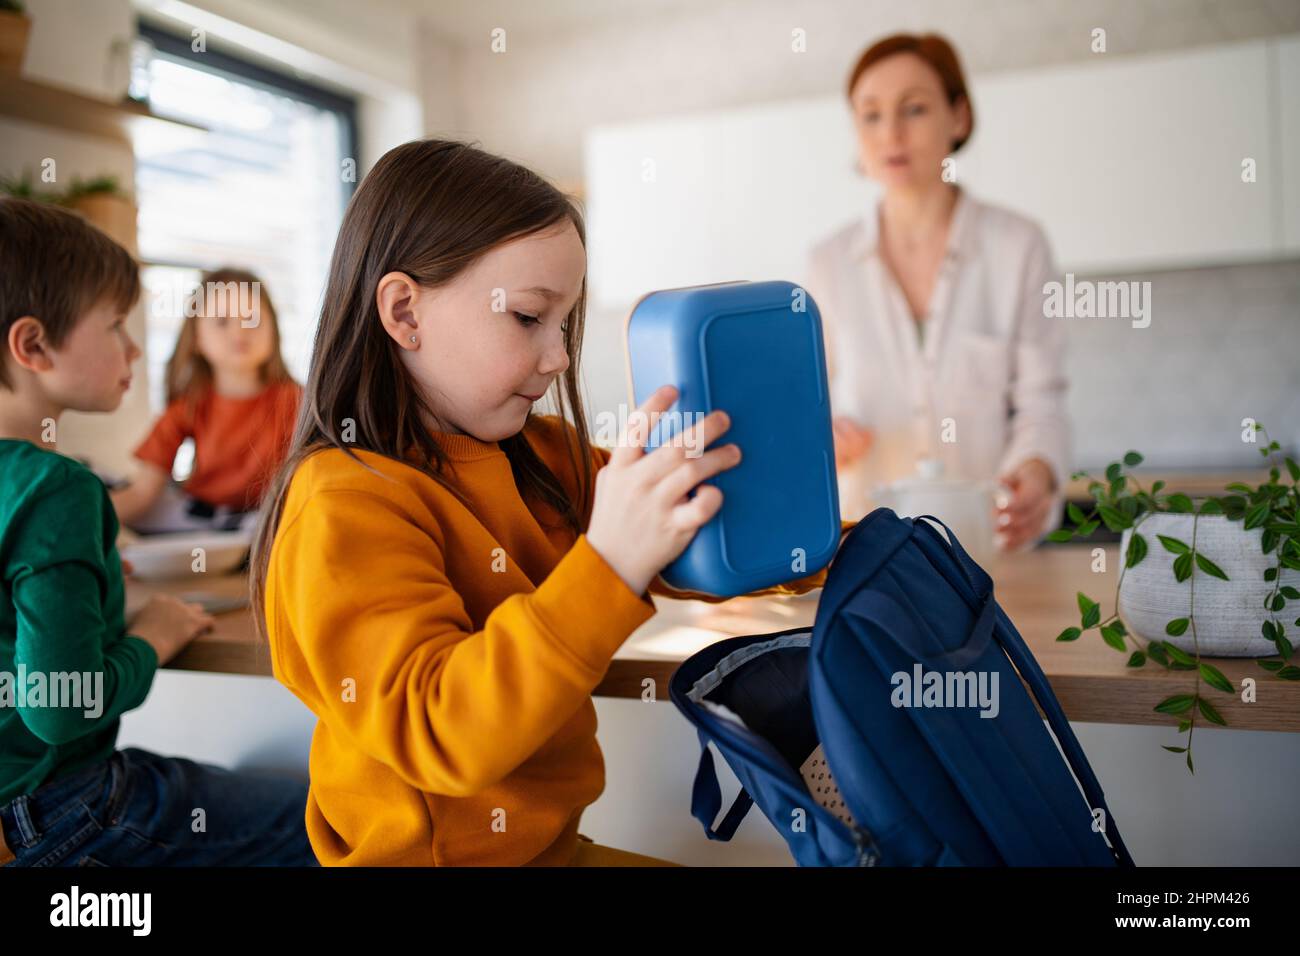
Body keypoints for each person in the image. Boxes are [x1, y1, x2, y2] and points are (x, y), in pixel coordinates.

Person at [250, 139, 855, 866]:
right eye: (529, 318)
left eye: (564, 323)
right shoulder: (343, 504)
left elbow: (690, 523)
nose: (559, 357)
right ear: (405, 311)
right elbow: (439, 728)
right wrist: (609, 563)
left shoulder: (542, 455)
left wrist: (833, 544)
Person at [0, 198, 316, 866]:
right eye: (115, 324)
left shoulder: (293, 400)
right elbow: (58, 707)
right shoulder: (56, 490)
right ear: (32, 345)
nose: (135, 346)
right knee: (324, 822)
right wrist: (153, 637)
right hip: (60, 808)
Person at [804, 33, 1070, 550]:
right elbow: (808, 412)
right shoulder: (827, 263)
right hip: (865, 557)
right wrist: (824, 438)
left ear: (959, 117)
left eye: (915, 109)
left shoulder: (1018, 245)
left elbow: (1042, 401)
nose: (891, 133)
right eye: (871, 114)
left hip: (988, 554)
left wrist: (1036, 469)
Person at [111, 268, 300, 534]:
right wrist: (73, 516)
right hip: (200, 511)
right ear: (197, 339)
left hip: (270, 516)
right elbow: (144, 493)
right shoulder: (189, 406)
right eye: (222, 321)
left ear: (274, 332)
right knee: (102, 486)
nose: (239, 331)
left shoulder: (297, 401)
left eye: (253, 319)